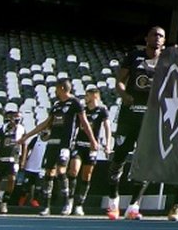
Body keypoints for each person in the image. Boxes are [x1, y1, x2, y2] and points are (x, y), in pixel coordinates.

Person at [105, 26, 165, 220]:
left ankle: (134, 206)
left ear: (164, 42)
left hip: (151, 119)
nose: (157, 38)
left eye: (161, 36)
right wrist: (124, 94)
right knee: (119, 158)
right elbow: (120, 81)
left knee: (145, 161)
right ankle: (113, 202)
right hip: (129, 115)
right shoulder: (134, 56)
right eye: (154, 34)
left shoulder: (167, 59)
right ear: (147, 37)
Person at [21, 78, 98, 216]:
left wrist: (93, 140)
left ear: (62, 88)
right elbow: (46, 123)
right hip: (52, 143)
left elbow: (84, 122)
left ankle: (67, 202)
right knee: (48, 173)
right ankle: (46, 206)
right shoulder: (56, 105)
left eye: (56, 88)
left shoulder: (75, 103)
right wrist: (28, 135)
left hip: (65, 143)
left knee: (61, 170)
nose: (55, 91)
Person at [67, 85, 112, 216]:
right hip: (79, 145)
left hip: (92, 147)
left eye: (87, 95)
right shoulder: (82, 110)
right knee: (74, 170)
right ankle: (69, 200)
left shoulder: (102, 110)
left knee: (86, 176)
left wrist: (108, 145)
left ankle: (79, 204)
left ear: (94, 96)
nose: (85, 98)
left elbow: (107, 128)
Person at [0, 104, 26, 214]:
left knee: (12, 179)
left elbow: (24, 144)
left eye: (19, 119)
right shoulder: (3, 128)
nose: (17, 121)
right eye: (15, 118)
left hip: (13, 159)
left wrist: (23, 160)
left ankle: (4, 202)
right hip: (1, 158)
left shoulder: (22, 129)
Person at [16, 130, 49, 209]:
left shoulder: (50, 142)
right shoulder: (36, 139)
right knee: (26, 186)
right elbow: (27, 149)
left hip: (41, 168)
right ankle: (21, 201)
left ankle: (34, 200)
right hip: (30, 167)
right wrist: (23, 161)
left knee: (39, 186)